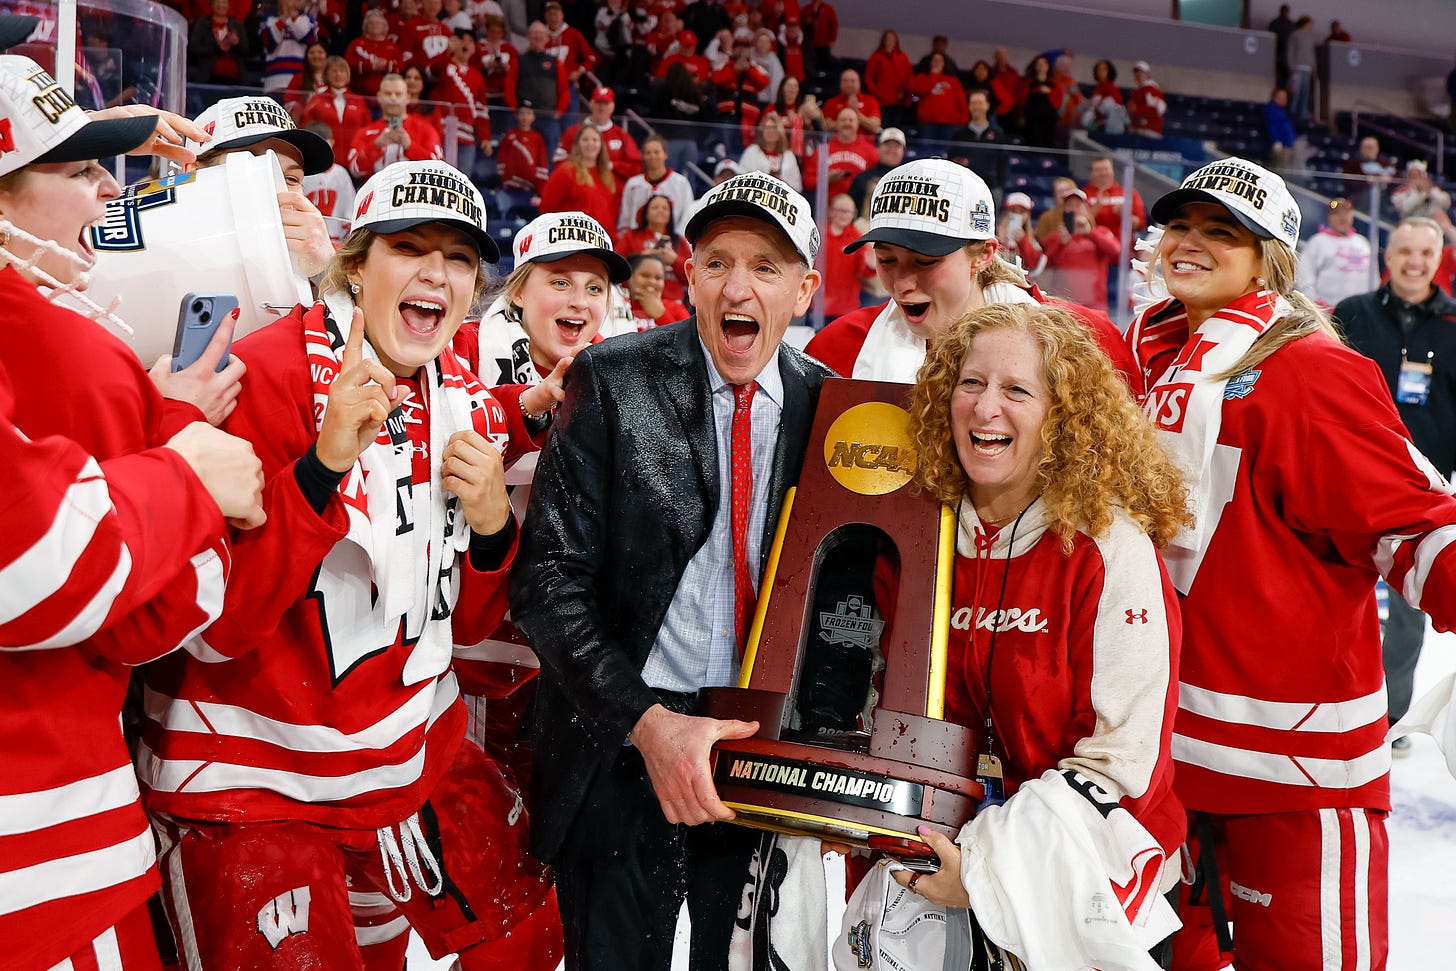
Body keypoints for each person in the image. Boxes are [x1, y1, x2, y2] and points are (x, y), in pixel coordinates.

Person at [139, 160, 563, 971]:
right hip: (252, 782)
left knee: (533, 929)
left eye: (461, 259)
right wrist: (322, 468)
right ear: (356, 263)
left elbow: (467, 625)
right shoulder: (262, 376)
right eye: (410, 247)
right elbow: (217, 625)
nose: (437, 273)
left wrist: (490, 529)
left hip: (404, 760)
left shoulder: (463, 394)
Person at [1127, 157, 1456, 971]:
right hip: (1165, 761)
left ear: (1269, 257)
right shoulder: (1149, 359)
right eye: (1181, 226)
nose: (1191, 243)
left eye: (1221, 232)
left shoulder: (1311, 370)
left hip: (1294, 773)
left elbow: (1413, 526)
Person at [511, 171, 827, 971]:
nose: (738, 285)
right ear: (689, 276)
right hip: (622, 740)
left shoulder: (832, 407)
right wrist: (651, 726)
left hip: (760, 747)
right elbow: (545, 583)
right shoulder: (612, 379)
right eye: (717, 261)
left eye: (765, 265)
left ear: (804, 288)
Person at [0, 53, 266, 970]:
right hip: (46, 855)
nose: (108, 190)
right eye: (75, 170)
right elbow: (145, 613)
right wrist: (185, 467)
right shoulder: (52, 339)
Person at [892, 300, 1188, 963]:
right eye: (970, 382)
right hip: (937, 880)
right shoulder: (919, 534)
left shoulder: (1108, 547)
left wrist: (984, 867)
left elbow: (1121, 762)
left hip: (1090, 890)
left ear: (1064, 415)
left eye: (1016, 389)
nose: (985, 407)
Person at [806, 158, 1136, 387]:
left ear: (984, 255)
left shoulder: (1086, 339)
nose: (902, 284)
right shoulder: (839, 348)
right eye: (887, 260)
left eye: (925, 261)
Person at [1333, 218, 1456, 755]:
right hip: (1348, 484)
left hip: (1423, 493)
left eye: (1424, 252)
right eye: (1405, 250)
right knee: (1338, 597)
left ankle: (1391, 717)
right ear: (1388, 252)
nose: (1414, 261)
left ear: (1438, 257)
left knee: (1411, 612)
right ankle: (1335, 704)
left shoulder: (1455, 324)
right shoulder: (1353, 313)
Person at [186, 95, 337, 279]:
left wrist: (324, 271)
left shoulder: (311, 257)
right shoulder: (153, 244)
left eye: (291, 178)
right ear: (193, 172)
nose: (275, 187)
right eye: (253, 166)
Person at [348, 72, 444, 178]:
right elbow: (355, 170)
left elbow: (438, 169)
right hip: (377, 193)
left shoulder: (426, 129)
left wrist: (410, 146)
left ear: (407, 97)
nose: (393, 98)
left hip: (413, 193)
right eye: (388, 93)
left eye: (398, 94)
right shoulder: (365, 132)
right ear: (379, 96)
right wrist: (376, 146)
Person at [1039, 187, 1120, 311]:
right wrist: (1062, 243)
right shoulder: (1055, 237)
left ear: (1086, 210)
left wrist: (1090, 233)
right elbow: (1046, 266)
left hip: (1094, 306)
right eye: (1069, 205)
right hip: (1063, 306)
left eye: (1078, 205)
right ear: (1064, 211)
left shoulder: (1100, 232)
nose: (1073, 209)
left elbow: (1115, 250)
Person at [431, 28, 493, 177]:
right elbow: (433, 70)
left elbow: (481, 109)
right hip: (443, 133)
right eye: (462, 40)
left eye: (470, 41)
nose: (466, 44)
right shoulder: (445, 65)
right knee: (440, 178)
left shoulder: (477, 75)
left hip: (467, 136)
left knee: (463, 181)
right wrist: (447, 53)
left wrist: (485, 138)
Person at [555, 85, 643, 184]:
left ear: (613, 106)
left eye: (606, 103)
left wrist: (613, 166)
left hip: (613, 193)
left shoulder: (622, 136)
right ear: (591, 104)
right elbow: (558, 161)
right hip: (580, 188)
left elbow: (637, 168)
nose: (601, 107)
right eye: (598, 102)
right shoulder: (573, 132)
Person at [506, 21, 571, 155]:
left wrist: (559, 112)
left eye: (541, 33)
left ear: (547, 38)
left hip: (548, 118)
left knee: (550, 155)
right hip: (523, 119)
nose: (538, 37)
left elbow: (564, 91)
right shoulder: (517, 61)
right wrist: (516, 112)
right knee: (519, 154)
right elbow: (509, 89)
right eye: (534, 33)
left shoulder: (556, 63)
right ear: (528, 37)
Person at [1295, 197, 1371, 309]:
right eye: (1336, 213)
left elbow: (1374, 279)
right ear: (1329, 217)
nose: (1342, 218)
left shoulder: (1363, 243)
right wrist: (1317, 305)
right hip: (1328, 315)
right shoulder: (1318, 242)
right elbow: (1303, 279)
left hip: (1361, 312)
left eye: (1346, 213)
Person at [541, 124, 619, 232]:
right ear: (577, 144)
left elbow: (610, 214)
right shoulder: (565, 172)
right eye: (585, 140)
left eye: (595, 140)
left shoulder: (608, 176)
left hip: (601, 241)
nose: (590, 144)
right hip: (573, 240)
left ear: (601, 145)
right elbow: (547, 208)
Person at [616, 193, 692, 304]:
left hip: (673, 302)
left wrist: (674, 261)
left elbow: (691, 276)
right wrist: (643, 257)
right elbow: (617, 266)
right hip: (637, 300)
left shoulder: (679, 241)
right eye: (655, 207)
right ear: (645, 213)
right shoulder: (631, 236)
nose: (660, 211)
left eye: (665, 208)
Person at [301, 57, 373, 167]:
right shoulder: (317, 99)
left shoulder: (359, 101)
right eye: (334, 71)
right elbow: (307, 128)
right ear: (326, 74)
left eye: (342, 71)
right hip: (325, 162)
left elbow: (368, 131)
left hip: (354, 163)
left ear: (347, 74)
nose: (338, 74)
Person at [618, 133, 694, 234]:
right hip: (637, 244)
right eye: (648, 153)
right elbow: (625, 219)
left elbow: (687, 215)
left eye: (656, 152)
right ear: (642, 155)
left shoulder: (681, 183)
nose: (652, 156)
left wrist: (677, 242)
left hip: (672, 242)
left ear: (665, 154)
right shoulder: (633, 184)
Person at [301, 121, 357, 244]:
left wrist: (348, 234)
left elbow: (350, 210)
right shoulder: (301, 174)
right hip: (308, 239)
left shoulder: (341, 174)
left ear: (332, 143)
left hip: (336, 239)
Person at [821, 191, 872, 323]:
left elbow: (864, 270)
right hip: (819, 306)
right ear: (831, 211)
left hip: (846, 308)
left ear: (854, 214)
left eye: (848, 212)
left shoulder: (856, 237)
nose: (844, 215)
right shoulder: (819, 234)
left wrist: (872, 266)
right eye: (840, 210)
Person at [805, 106, 875, 201]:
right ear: (837, 124)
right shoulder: (822, 150)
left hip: (860, 208)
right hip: (828, 209)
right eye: (843, 120)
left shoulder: (870, 151)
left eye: (851, 120)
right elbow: (807, 181)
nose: (847, 123)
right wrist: (826, 179)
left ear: (858, 124)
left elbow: (876, 180)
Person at [908, 51, 969, 146]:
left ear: (944, 63)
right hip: (928, 123)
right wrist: (933, 76)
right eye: (934, 60)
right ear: (930, 62)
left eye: (940, 60)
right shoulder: (922, 78)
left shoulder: (953, 81)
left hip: (949, 124)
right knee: (927, 153)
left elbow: (961, 102)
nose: (937, 62)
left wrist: (963, 121)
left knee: (946, 154)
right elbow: (917, 91)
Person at [738, 110, 803, 192]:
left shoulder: (788, 155)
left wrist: (782, 183)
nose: (771, 131)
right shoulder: (752, 151)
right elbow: (741, 178)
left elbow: (797, 186)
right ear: (762, 131)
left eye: (774, 128)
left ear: (780, 131)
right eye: (768, 128)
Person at [499, 99, 550, 204]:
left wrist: (540, 191)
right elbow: (502, 158)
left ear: (533, 117)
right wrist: (503, 179)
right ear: (517, 115)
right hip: (510, 186)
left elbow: (542, 164)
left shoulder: (537, 138)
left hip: (530, 188)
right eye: (522, 113)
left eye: (528, 113)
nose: (525, 117)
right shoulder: (510, 135)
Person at [188, 0, 250, 86]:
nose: (221, 5)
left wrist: (236, 43)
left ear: (228, 5)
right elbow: (194, 48)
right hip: (208, 78)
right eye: (218, 2)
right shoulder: (202, 23)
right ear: (211, 5)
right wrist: (217, 47)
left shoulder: (237, 25)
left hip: (235, 78)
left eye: (224, 2)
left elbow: (245, 50)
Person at [847, 125, 905, 217]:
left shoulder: (910, 180)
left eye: (896, 146)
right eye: (887, 145)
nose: (892, 149)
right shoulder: (862, 178)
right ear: (878, 148)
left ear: (903, 151)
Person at [261, 0, 317, 94]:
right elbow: (268, 42)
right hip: (274, 81)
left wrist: (292, 15)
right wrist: (283, 19)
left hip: (299, 80)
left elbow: (307, 38)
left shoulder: (307, 19)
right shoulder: (268, 19)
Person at [864, 28, 912, 131]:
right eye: (888, 39)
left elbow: (909, 77)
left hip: (899, 101)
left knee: (896, 128)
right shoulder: (876, 56)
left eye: (892, 39)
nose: (890, 41)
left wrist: (905, 91)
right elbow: (869, 78)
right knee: (884, 127)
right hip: (882, 101)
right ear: (883, 41)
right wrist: (876, 93)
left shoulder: (902, 57)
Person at [346, 10, 403, 98]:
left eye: (377, 23)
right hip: (359, 93)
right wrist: (370, 66)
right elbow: (348, 64)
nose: (374, 25)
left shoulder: (391, 46)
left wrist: (386, 65)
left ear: (384, 26)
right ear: (366, 26)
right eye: (371, 23)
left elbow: (401, 66)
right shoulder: (356, 44)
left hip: (386, 95)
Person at [625, 252, 690, 328]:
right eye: (645, 275)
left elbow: (688, 339)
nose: (652, 282)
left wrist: (661, 315)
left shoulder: (677, 309)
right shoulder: (617, 305)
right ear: (630, 278)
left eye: (658, 278)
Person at [998, 190, 1046, 279]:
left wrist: (1023, 241)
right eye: (1013, 211)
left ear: (1028, 215)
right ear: (1006, 212)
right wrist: (1002, 242)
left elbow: (1033, 265)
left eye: (1021, 212)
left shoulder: (1033, 240)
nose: (1017, 215)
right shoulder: (995, 234)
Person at [822, 67, 882, 137]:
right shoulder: (831, 102)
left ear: (859, 83)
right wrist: (849, 123)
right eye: (845, 81)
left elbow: (875, 127)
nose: (849, 84)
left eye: (853, 81)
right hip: (838, 144)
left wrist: (856, 112)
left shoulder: (871, 101)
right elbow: (826, 125)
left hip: (864, 145)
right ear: (840, 83)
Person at [1020, 54, 1057, 149]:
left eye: (1043, 64)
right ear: (1035, 67)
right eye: (1038, 64)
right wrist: (1037, 90)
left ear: (1048, 67)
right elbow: (1023, 99)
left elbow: (1058, 102)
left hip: (1049, 119)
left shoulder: (1054, 83)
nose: (1041, 67)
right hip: (1033, 119)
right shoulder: (1028, 82)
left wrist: (1049, 93)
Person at [1286, 15, 1316, 126]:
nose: (1311, 26)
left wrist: (1313, 67)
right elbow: (1290, 50)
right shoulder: (1295, 34)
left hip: (1307, 68)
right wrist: (1291, 66)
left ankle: (1303, 114)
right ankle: (1292, 112)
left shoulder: (1310, 36)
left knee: (1305, 92)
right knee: (1295, 91)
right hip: (1297, 67)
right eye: (1310, 24)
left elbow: (1312, 53)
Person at [1127, 60, 1166, 138]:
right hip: (1137, 131)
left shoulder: (1151, 90)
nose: (1138, 75)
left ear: (1147, 74)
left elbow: (1159, 108)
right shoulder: (1138, 91)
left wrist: (1137, 109)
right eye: (1136, 72)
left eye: (1141, 72)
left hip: (1148, 133)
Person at [1263, 86, 1297, 171]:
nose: (1284, 100)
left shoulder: (1282, 111)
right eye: (1281, 97)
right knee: (1281, 171)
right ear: (1274, 97)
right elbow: (1272, 126)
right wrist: (1276, 141)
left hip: (1288, 145)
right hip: (1281, 147)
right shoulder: (1271, 110)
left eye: (1285, 97)